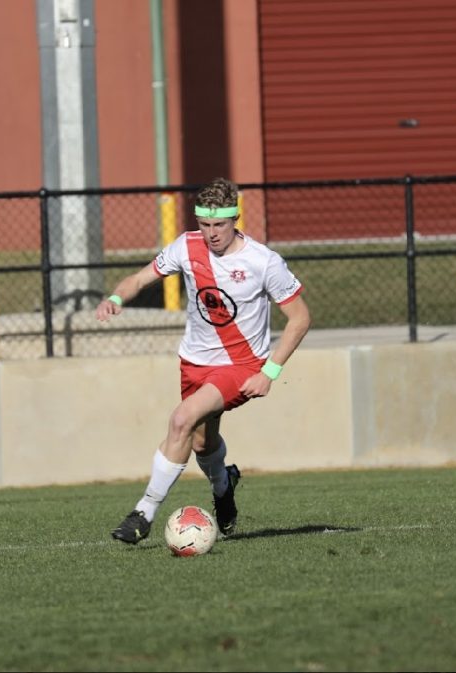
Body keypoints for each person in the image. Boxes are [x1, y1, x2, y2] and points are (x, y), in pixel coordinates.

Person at [96, 177, 312, 544]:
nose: (211, 234)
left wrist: (269, 372)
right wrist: (116, 298)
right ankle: (223, 485)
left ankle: (143, 513)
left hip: (241, 366)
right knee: (200, 443)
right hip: (193, 362)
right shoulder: (186, 246)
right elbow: (138, 279)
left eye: (219, 225)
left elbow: (300, 318)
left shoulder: (264, 262)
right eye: (205, 224)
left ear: (236, 219)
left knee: (181, 419)